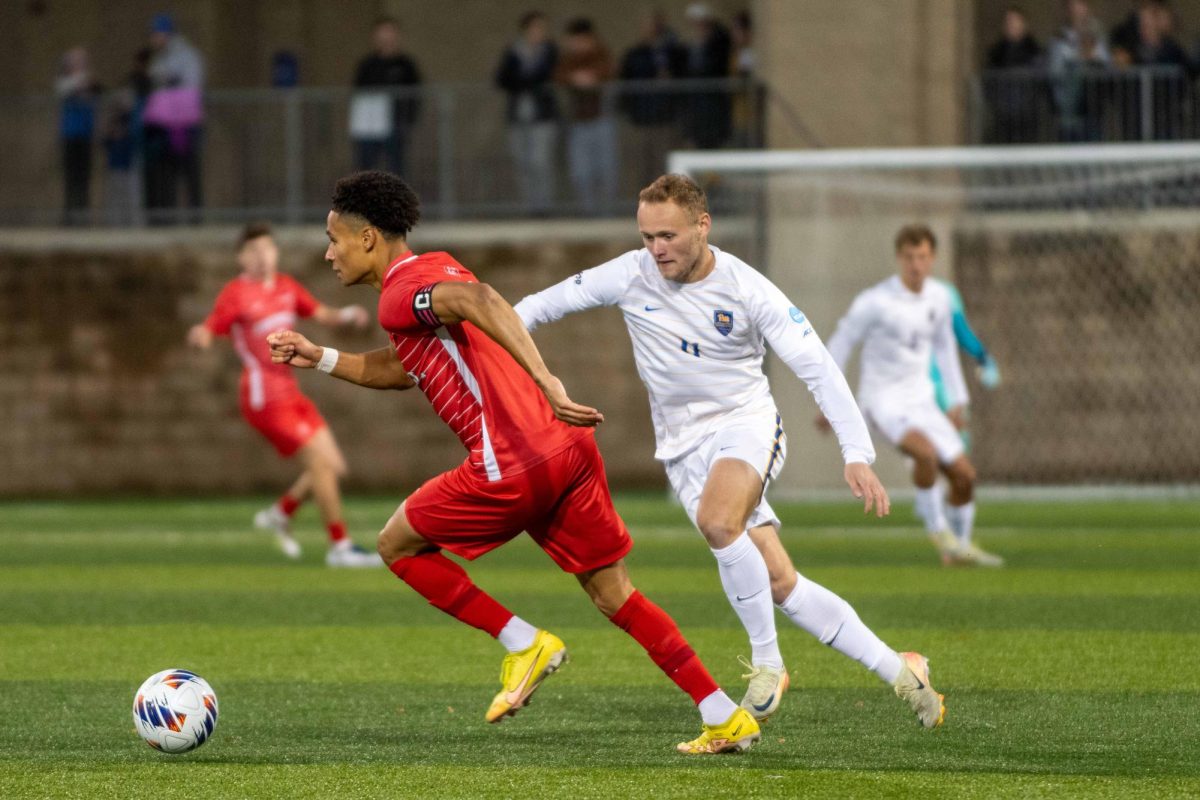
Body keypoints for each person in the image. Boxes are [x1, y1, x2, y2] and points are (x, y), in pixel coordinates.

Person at [267, 170, 762, 755]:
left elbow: (481, 302)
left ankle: (524, 642)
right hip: (568, 451)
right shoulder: (434, 270)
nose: (328, 253)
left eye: (335, 239)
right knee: (614, 594)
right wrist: (320, 356)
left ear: (369, 238)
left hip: (514, 458)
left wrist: (547, 380)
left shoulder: (402, 293)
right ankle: (723, 713)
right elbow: (407, 367)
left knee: (395, 545)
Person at [514, 174, 946, 730]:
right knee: (780, 582)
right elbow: (535, 307)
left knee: (719, 521)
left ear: (703, 225)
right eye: (646, 237)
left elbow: (816, 366)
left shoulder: (748, 289)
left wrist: (856, 451)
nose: (655, 249)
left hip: (746, 424)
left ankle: (768, 665)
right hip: (681, 447)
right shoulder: (630, 274)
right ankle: (900, 668)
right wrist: (474, 333)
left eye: (667, 235)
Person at [187, 222, 379, 568]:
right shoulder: (236, 294)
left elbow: (319, 313)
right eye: (253, 251)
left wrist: (348, 314)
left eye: (267, 249)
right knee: (320, 465)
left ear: (275, 252)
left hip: (291, 392)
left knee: (333, 466)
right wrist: (201, 334)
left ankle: (281, 513)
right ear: (241, 258)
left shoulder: (287, 287)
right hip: (264, 398)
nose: (262, 256)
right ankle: (340, 547)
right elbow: (213, 325)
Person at [822, 225, 1003, 568]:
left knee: (965, 476)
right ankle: (940, 533)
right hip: (883, 401)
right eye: (909, 257)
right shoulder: (875, 301)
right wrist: (828, 396)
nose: (915, 265)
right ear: (899, 259)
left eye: (922, 257)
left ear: (932, 258)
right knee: (926, 455)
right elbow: (842, 341)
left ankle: (960, 549)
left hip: (922, 401)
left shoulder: (939, 298)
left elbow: (945, 348)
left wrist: (956, 401)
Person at [142, 12, 206, 222]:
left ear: (165, 34)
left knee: (189, 169)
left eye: (156, 34)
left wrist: (168, 79)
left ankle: (196, 218)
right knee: (167, 171)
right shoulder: (161, 57)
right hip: (166, 123)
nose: (153, 39)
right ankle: (168, 218)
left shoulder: (186, 55)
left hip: (185, 122)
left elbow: (190, 82)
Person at [495, 11, 559, 216]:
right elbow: (503, 79)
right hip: (519, 117)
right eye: (535, 28)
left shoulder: (549, 51)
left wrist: (526, 78)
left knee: (541, 161)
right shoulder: (513, 53)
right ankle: (529, 206)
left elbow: (547, 75)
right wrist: (525, 78)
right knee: (523, 163)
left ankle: (544, 205)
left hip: (542, 117)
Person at [929, 277, 1002, 453]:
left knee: (951, 438)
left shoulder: (945, 294)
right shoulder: (945, 293)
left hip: (941, 381)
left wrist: (982, 356)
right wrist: (983, 357)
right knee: (942, 442)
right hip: (926, 383)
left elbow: (960, 330)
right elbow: (961, 330)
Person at [556, 18, 617, 216]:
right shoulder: (568, 59)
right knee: (581, 171)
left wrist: (592, 77)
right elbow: (559, 75)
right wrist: (575, 78)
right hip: (578, 122)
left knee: (605, 169)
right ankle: (588, 211)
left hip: (601, 119)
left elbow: (610, 70)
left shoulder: (601, 53)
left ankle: (607, 211)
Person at [618, 12, 686, 186]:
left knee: (662, 164)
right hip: (641, 118)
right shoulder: (635, 54)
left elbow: (682, 71)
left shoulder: (672, 52)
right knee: (640, 163)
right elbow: (626, 79)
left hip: (664, 117)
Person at [349, 18, 422, 176]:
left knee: (396, 166)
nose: (386, 39)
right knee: (366, 167)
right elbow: (358, 90)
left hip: (396, 123)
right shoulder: (367, 65)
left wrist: (409, 119)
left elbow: (416, 92)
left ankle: (395, 199)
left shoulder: (406, 65)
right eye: (382, 34)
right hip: (370, 125)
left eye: (390, 34)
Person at [982, 7, 1045, 144]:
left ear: (1024, 25)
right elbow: (989, 82)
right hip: (1002, 117)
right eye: (1009, 22)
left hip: (1027, 116)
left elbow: (1039, 79)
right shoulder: (996, 54)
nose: (1012, 26)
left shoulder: (1034, 51)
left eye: (1016, 22)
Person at [56, 46, 101, 225]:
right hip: (70, 136)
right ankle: (69, 217)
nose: (82, 65)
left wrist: (87, 84)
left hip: (85, 136)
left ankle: (83, 217)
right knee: (71, 178)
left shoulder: (90, 82)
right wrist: (80, 80)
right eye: (77, 61)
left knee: (84, 178)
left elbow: (97, 92)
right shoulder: (64, 81)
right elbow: (64, 90)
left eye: (83, 62)